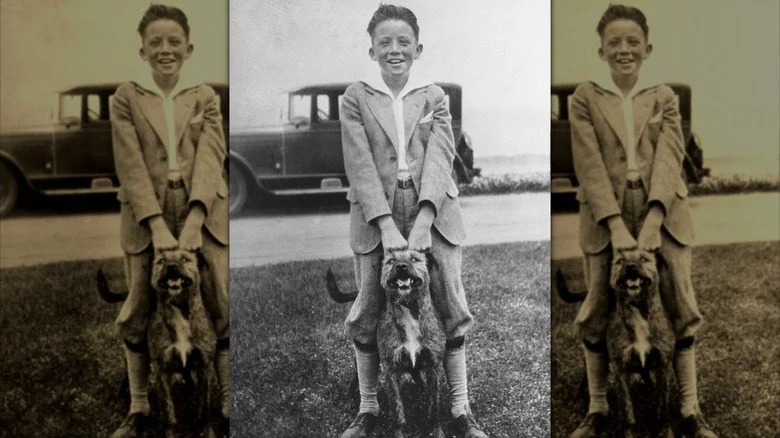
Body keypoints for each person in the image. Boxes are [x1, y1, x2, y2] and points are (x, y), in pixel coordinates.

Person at [338, 4, 488, 438]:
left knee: (452, 306)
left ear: (418, 48)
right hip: (373, 216)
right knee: (367, 309)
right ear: (372, 51)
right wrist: (385, 226)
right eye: (384, 42)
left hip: (435, 212)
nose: (394, 50)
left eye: (403, 42)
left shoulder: (434, 96)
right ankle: (368, 410)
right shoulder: (356, 96)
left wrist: (424, 218)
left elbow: (441, 157)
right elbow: (360, 163)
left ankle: (460, 412)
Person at [568, 4, 717, 438]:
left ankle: (689, 412)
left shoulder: (664, 96)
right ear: (601, 50)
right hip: (602, 217)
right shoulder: (585, 97)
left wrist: (653, 219)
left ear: (647, 48)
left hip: (666, 215)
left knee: (683, 308)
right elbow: (589, 164)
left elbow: (671, 159)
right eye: (614, 42)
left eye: (633, 41)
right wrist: (615, 225)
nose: (624, 49)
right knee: (596, 309)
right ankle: (597, 409)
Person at [109, 5, 229, 437]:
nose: (165, 50)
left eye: (174, 42)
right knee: (139, 306)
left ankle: (225, 403)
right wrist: (157, 226)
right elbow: (131, 164)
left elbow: (213, 155)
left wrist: (197, 215)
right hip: (146, 216)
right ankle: (140, 407)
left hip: (203, 210)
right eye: (156, 42)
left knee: (217, 302)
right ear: (142, 50)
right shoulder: (126, 96)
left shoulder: (204, 96)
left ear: (188, 48)